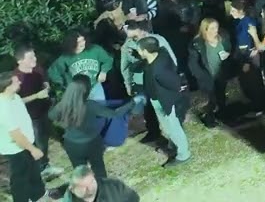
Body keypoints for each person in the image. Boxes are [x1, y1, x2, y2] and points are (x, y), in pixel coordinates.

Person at [48, 75, 134, 180]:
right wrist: (131, 103)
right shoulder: (90, 105)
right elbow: (114, 114)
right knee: (98, 168)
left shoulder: (62, 106)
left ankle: (85, 191)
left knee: (80, 173)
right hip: (92, 142)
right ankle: (102, 189)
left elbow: (50, 116)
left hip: (72, 144)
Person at [137, 37, 191, 166]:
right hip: (158, 99)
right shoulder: (161, 53)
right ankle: (174, 146)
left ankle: (183, 155)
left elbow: (174, 83)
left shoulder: (158, 71)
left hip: (166, 102)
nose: (138, 51)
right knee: (168, 127)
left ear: (145, 51)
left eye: (139, 49)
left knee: (173, 128)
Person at [12, 45, 60, 181]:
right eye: (31, 57)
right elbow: (15, 101)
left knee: (43, 140)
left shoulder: (37, 68)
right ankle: (41, 170)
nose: (35, 59)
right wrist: (36, 96)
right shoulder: (16, 78)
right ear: (20, 61)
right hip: (30, 117)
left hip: (44, 110)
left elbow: (45, 80)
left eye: (35, 55)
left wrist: (46, 85)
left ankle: (44, 165)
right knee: (37, 143)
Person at [1, 68, 47, 202]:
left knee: (34, 173)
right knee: (20, 179)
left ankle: (38, 196)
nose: (19, 82)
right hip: (17, 148)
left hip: (26, 143)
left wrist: (37, 96)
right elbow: (16, 135)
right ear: (7, 87)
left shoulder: (13, 96)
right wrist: (33, 149)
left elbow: (22, 101)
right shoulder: (3, 108)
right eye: (16, 82)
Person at [188, 18, 233, 126]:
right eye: (212, 28)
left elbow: (229, 49)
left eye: (216, 27)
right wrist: (201, 77)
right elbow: (193, 64)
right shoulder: (197, 44)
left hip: (221, 73)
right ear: (205, 29)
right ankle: (209, 120)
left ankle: (223, 115)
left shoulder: (223, 37)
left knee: (221, 96)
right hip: (207, 77)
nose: (215, 30)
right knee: (211, 100)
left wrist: (227, 54)